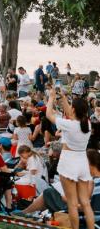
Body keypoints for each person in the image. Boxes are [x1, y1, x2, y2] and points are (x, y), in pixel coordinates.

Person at [47, 88, 93, 229]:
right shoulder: (87, 124)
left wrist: (51, 97)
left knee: (72, 203)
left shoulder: (70, 125)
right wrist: (64, 98)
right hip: (82, 162)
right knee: (85, 203)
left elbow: (49, 114)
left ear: (74, 110)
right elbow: (70, 113)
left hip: (69, 162)